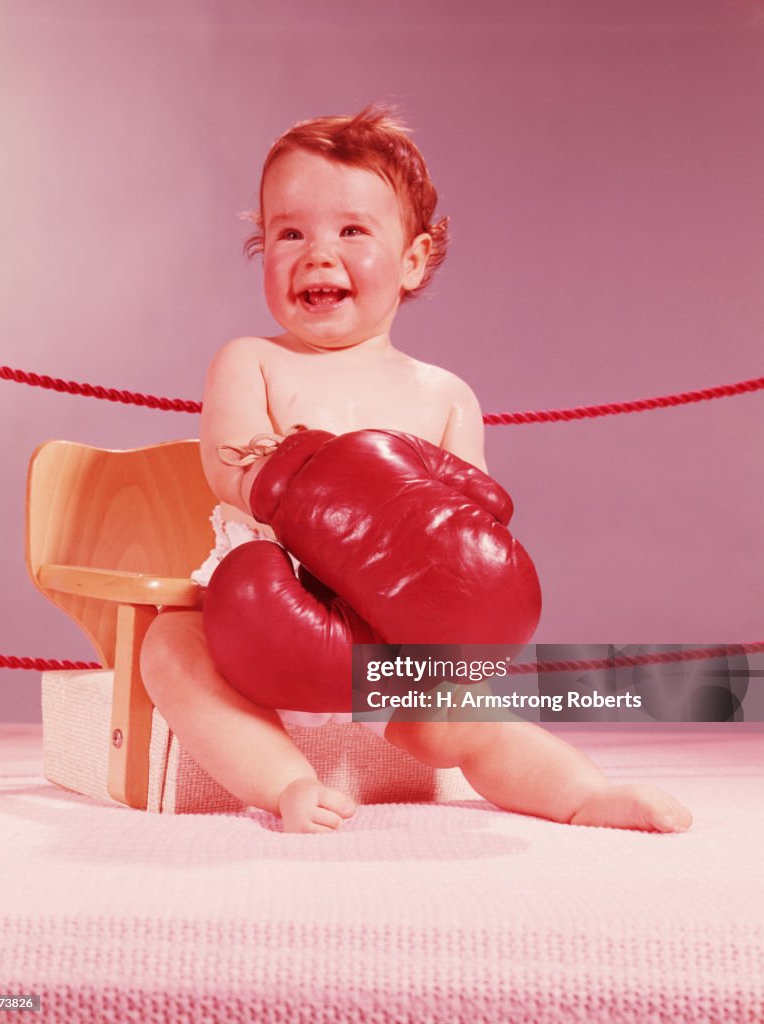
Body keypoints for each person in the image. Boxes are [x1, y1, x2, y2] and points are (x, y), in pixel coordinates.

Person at [140, 106, 692, 835]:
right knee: (170, 650)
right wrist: (316, 474)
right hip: (264, 610)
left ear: (414, 258)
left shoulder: (444, 394)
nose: (317, 253)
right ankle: (286, 787)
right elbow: (229, 462)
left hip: (391, 629)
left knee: (464, 720)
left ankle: (584, 796)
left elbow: (473, 522)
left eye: (352, 230)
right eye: (289, 232)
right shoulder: (251, 361)